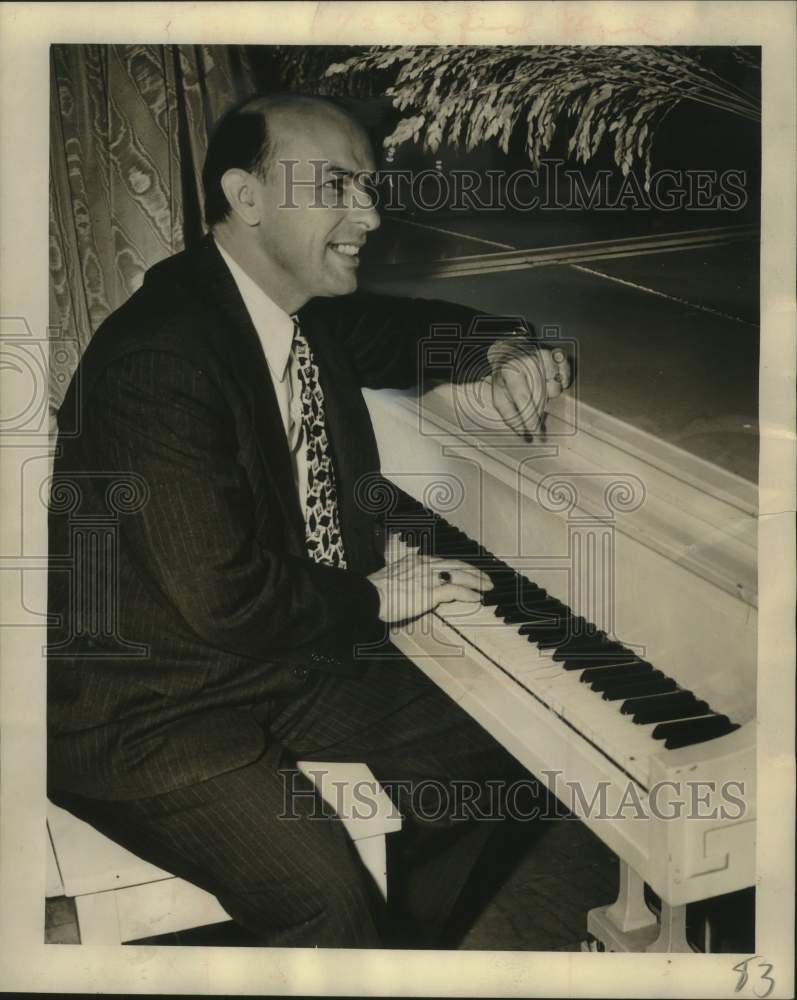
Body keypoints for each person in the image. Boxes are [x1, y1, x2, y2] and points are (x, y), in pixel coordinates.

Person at [47, 93, 571, 948]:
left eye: (368, 186)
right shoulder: (158, 359)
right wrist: (376, 597)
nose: (368, 213)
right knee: (324, 903)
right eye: (336, 185)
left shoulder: (292, 311)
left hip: (271, 660)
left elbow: (410, 328)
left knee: (496, 766)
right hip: (148, 706)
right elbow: (224, 599)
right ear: (246, 197)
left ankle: (399, 958)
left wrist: (503, 349)